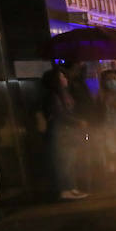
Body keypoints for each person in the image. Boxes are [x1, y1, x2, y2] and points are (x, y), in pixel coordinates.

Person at [40, 67, 88, 200]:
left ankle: (71, 187)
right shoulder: (54, 96)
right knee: (64, 162)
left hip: (66, 133)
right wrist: (78, 122)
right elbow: (60, 115)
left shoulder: (63, 94)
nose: (65, 79)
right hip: (61, 134)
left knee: (70, 161)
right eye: (61, 77)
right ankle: (65, 189)